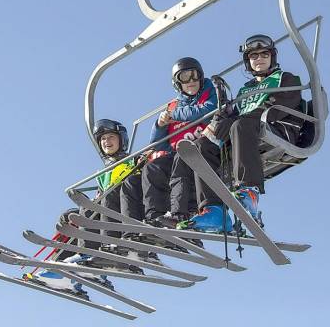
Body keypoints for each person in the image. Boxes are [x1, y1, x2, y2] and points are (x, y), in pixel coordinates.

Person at [182, 34, 303, 232]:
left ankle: (249, 190)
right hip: (246, 131)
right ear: (248, 61)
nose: (259, 58)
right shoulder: (245, 89)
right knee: (204, 146)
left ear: (272, 56)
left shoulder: (285, 78)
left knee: (240, 125)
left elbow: (284, 102)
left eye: (264, 54)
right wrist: (223, 116)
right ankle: (214, 211)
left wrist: (240, 119)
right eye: (254, 56)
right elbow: (235, 116)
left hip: (278, 128)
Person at [30, 119, 151, 293]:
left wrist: (144, 160)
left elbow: (140, 185)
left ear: (121, 140)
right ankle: (60, 268)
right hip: (107, 211)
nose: (106, 142)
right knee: (70, 217)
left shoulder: (133, 161)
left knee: (93, 208)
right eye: (102, 139)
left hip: (126, 213)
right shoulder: (104, 172)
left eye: (111, 137)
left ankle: (91, 257)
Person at [120, 57, 217, 230]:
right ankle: (155, 216)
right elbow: (159, 145)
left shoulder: (209, 92)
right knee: (152, 168)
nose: (191, 81)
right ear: (177, 84)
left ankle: (180, 214)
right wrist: (160, 125)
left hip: (202, 150)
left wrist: (174, 115)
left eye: (194, 75)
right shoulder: (173, 107)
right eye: (184, 78)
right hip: (176, 154)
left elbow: (208, 110)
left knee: (182, 157)